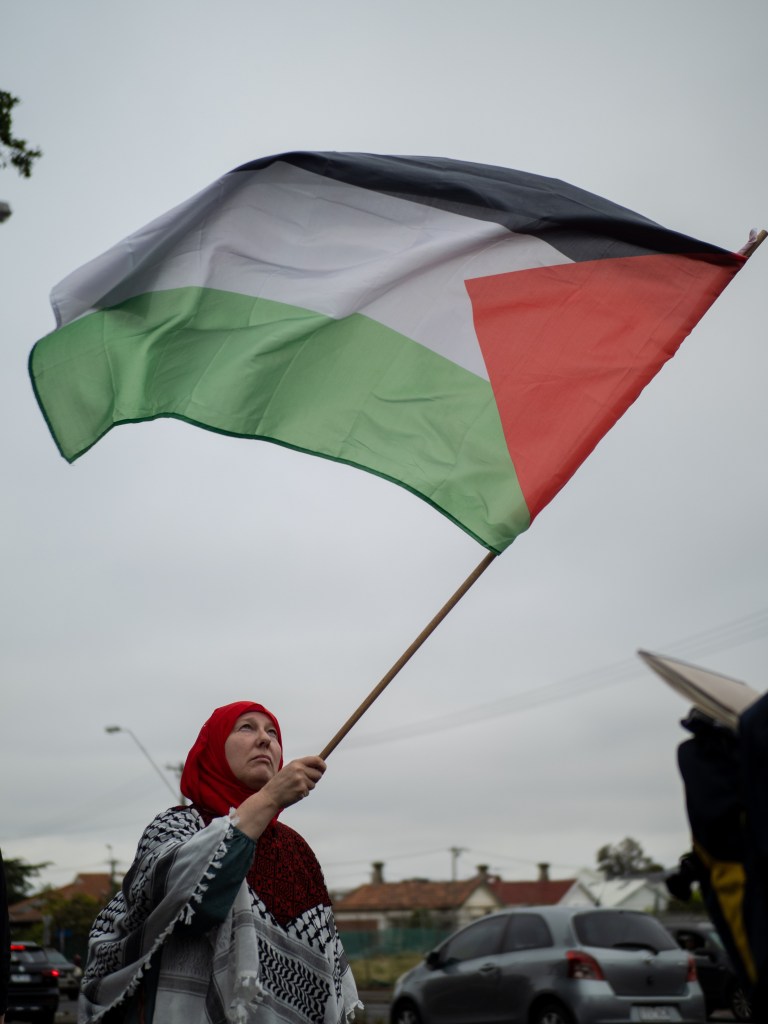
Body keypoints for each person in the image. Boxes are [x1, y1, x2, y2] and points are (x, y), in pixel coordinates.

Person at [79, 702, 360, 1024]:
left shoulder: (295, 849)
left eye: (272, 732)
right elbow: (195, 908)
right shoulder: (177, 827)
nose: (265, 740)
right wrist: (268, 799)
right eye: (246, 727)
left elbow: (322, 968)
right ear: (212, 751)